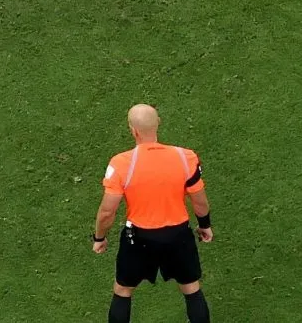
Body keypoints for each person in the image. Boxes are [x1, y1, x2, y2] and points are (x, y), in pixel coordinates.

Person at [91, 104, 215, 323]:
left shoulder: (120, 164)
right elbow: (200, 201)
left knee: (123, 290)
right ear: (158, 123)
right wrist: (204, 225)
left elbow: (107, 212)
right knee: (191, 288)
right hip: (178, 236)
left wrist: (99, 238)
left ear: (133, 130)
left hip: (139, 239)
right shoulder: (185, 157)